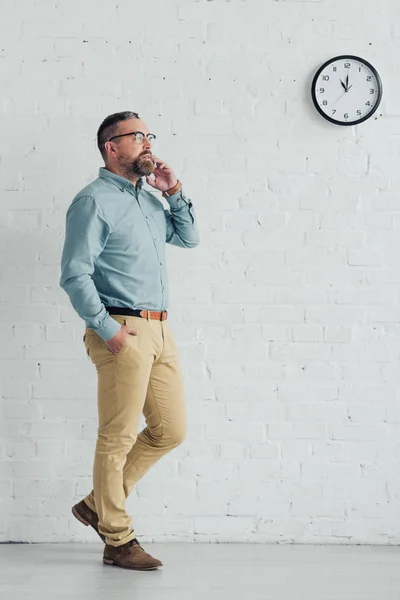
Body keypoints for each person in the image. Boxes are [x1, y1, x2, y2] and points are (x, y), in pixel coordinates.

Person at [60, 111, 200, 570]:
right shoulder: (93, 201)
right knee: (116, 437)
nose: (146, 143)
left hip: (160, 329)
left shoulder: (149, 201)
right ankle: (118, 539)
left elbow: (190, 238)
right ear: (111, 147)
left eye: (148, 135)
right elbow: (74, 274)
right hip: (123, 329)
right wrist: (109, 330)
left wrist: (173, 190)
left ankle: (97, 504)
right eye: (136, 136)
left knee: (171, 430)